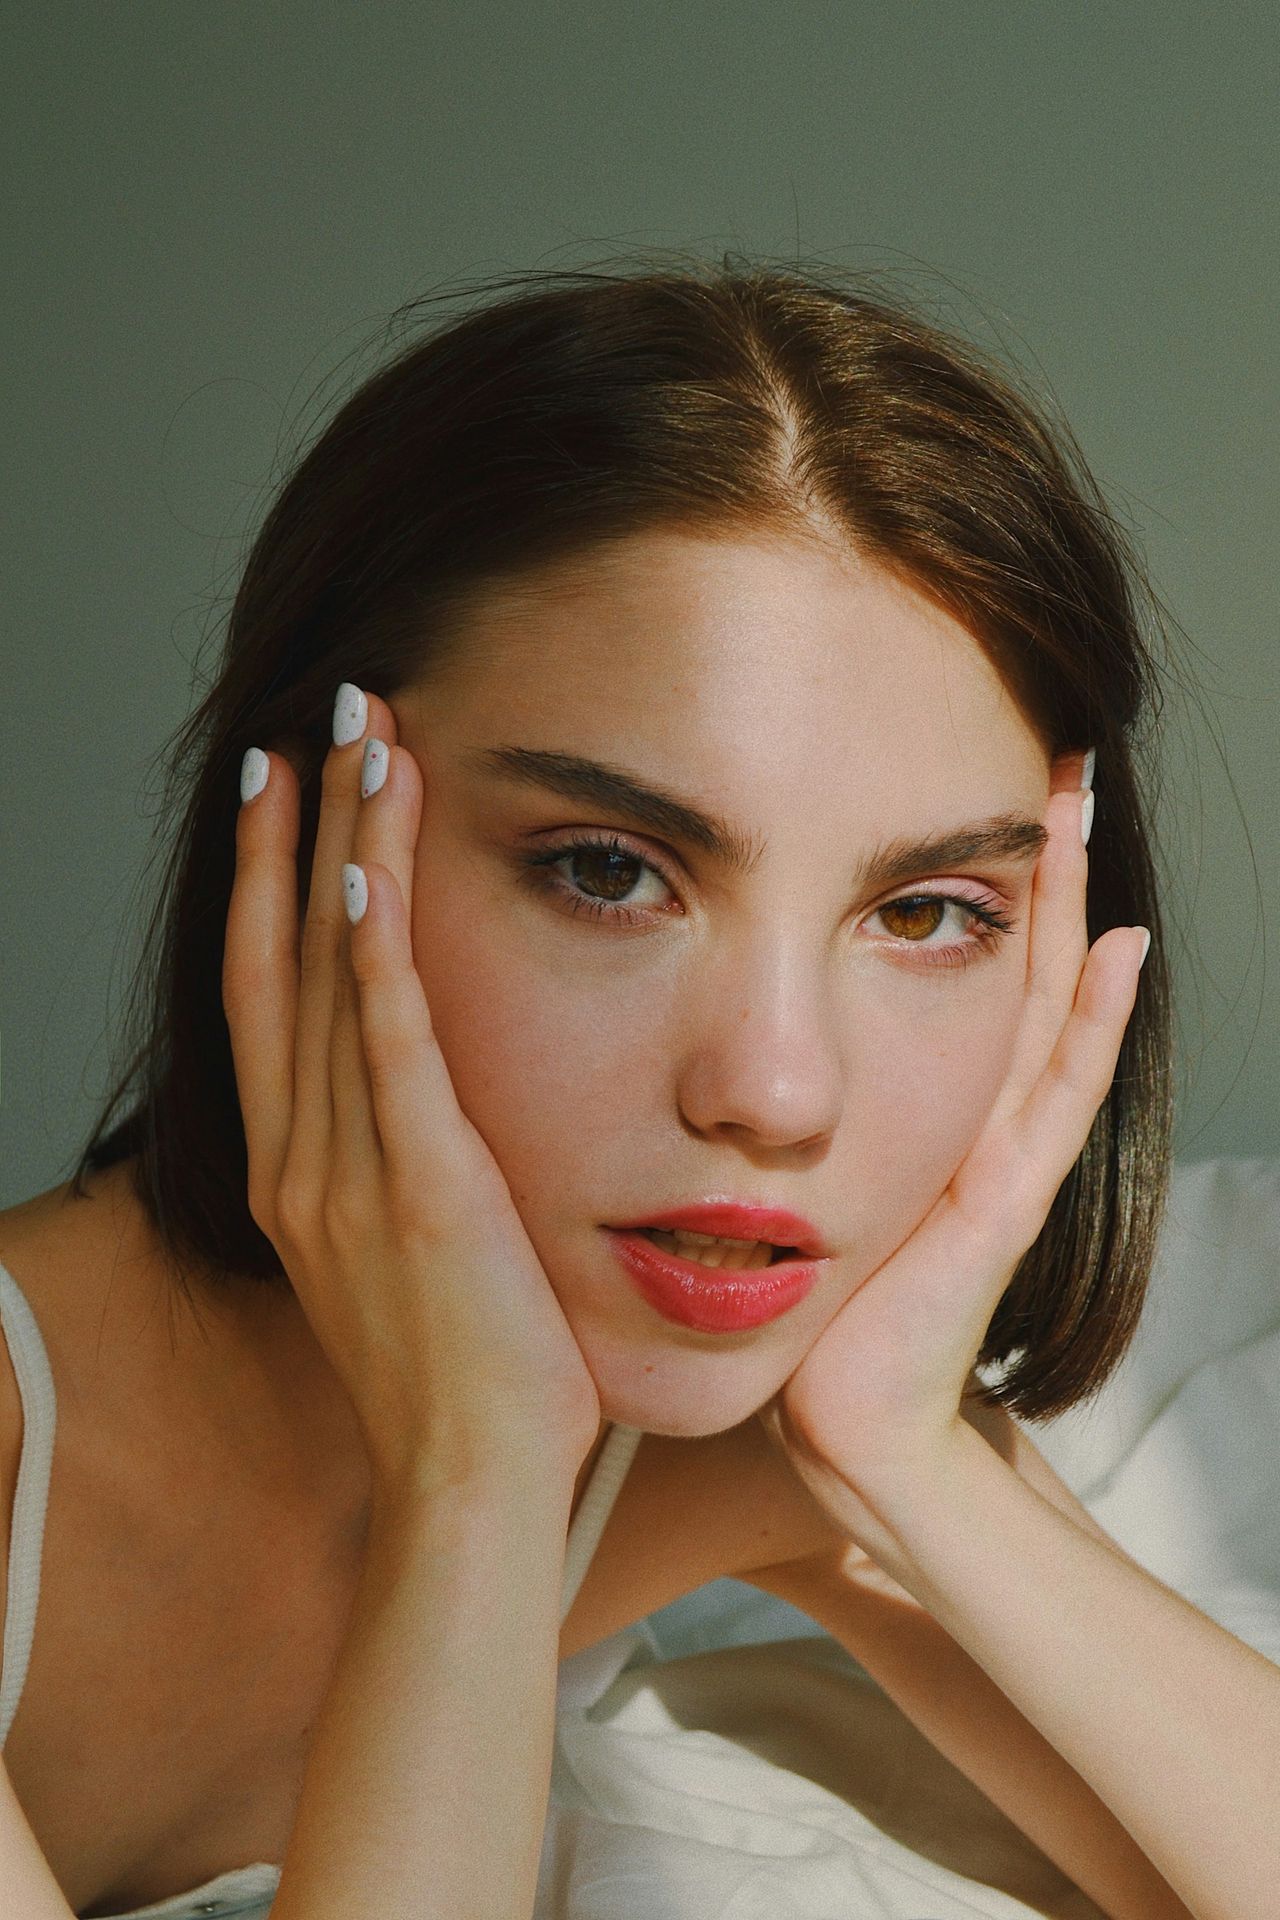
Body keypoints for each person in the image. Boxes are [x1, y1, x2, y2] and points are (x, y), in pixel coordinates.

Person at [0, 256, 1272, 1920]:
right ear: (313, 843)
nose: (777, 1088)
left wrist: (907, 1451)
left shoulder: (718, 1443)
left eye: (925, 913)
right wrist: (474, 1485)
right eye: (609, 871)